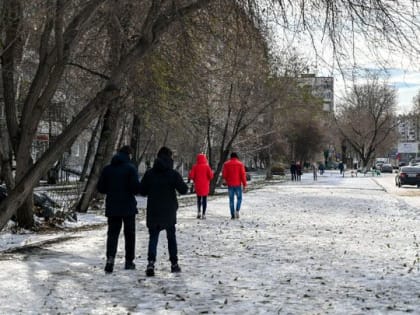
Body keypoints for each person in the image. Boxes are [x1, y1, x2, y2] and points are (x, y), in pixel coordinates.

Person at [138, 146, 188, 277]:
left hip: (154, 210)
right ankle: (174, 264)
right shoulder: (173, 174)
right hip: (169, 210)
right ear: (170, 158)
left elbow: (142, 191)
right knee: (171, 237)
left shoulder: (150, 173)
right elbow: (184, 190)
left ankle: (150, 263)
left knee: (153, 237)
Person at [97, 145, 141, 273]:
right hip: (128, 207)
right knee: (130, 234)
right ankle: (129, 261)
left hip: (113, 206)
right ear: (129, 155)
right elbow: (135, 188)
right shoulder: (130, 169)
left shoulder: (108, 169)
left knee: (112, 234)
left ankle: (110, 259)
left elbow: (101, 188)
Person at [222, 152, 247, 219]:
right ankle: (237, 210)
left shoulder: (226, 164)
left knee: (231, 200)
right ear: (236, 157)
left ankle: (232, 214)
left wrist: (225, 180)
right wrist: (244, 184)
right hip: (238, 184)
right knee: (239, 198)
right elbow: (243, 175)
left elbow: (224, 174)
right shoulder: (240, 164)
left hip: (230, 185)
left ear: (231, 157)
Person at [188, 153, 214, 219]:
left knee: (199, 199)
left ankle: (199, 212)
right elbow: (211, 176)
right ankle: (204, 214)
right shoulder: (207, 167)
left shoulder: (195, 167)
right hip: (205, 185)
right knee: (204, 199)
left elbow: (191, 176)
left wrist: (194, 178)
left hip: (198, 185)